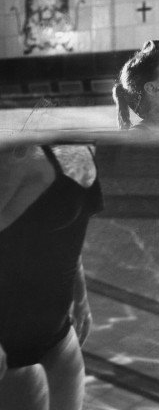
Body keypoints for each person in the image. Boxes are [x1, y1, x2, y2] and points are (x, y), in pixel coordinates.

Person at [0, 142, 102, 410]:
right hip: (9, 330)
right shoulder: (20, 159)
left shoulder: (85, 148)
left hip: (56, 324)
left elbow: (69, 237)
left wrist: (80, 300)